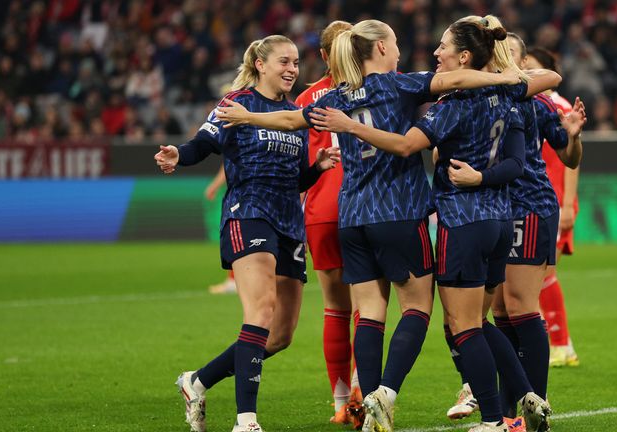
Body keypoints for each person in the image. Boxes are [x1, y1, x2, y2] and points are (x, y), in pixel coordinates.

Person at [213, 19, 525, 432]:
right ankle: (384, 394)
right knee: (416, 308)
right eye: (394, 42)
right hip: (398, 211)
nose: (400, 50)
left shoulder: (337, 95)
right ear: (379, 49)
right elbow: (456, 79)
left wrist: (248, 116)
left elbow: (291, 120)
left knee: (370, 312)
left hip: (352, 217)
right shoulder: (401, 85)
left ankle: (369, 413)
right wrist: (510, 76)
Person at [308, 18, 561, 432]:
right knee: (480, 321)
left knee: (461, 326)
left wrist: (351, 126)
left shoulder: (450, 106)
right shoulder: (508, 95)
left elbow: (408, 144)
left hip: (460, 220)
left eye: (443, 47)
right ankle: (529, 396)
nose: (434, 53)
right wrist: (506, 74)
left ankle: (495, 419)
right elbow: (545, 89)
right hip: (500, 219)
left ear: (463, 56)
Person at [154, 35, 340, 432]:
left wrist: (317, 167)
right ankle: (246, 420)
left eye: (295, 63)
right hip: (248, 213)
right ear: (260, 64)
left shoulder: (293, 114)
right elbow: (204, 143)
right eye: (284, 62)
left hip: (289, 221)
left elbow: (294, 178)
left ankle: (197, 381)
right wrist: (179, 155)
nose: (292, 69)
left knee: (281, 335)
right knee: (261, 312)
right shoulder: (236, 103)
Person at [447, 30, 584, 427]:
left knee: (521, 308)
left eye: (517, 58)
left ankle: (534, 404)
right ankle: (510, 414)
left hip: (529, 208)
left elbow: (570, 157)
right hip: (499, 211)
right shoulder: (480, 99)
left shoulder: (531, 102)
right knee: (502, 313)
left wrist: (573, 136)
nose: (514, 64)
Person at [292, 20, 364, 428]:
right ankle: (361, 392)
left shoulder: (306, 98)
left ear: (322, 56)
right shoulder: (377, 86)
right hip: (366, 206)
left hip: (321, 210)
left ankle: (340, 401)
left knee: (335, 308)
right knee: (367, 307)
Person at [526, 47, 582, 368]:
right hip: (541, 200)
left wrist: (568, 204)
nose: (527, 72)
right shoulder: (534, 105)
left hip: (554, 201)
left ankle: (561, 344)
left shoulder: (558, 107)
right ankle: (562, 344)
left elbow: (572, 161)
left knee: (545, 274)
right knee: (542, 275)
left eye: (532, 67)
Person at [203, 165, 237, 294]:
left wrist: (215, 185)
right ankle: (234, 279)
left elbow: (230, 160)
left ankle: (234, 281)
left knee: (238, 233)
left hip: (247, 192)